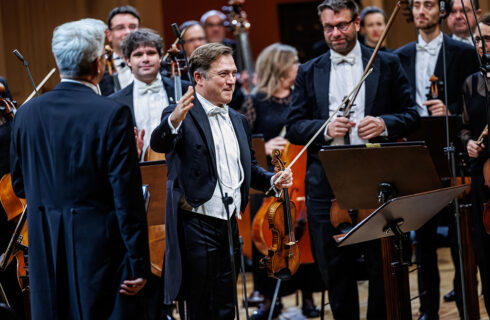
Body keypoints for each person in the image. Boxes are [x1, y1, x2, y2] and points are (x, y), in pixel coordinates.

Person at [286, 0, 420, 318]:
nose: (335, 33)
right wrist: (325, 127)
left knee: (381, 263)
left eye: (342, 25)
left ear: (357, 24)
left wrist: (385, 123)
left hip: (375, 178)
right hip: (325, 182)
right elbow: (294, 126)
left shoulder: (386, 63)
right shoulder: (309, 70)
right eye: (328, 27)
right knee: (334, 267)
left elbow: (411, 115)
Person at [9, 18, 150, 319]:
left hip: (44, 248)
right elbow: (127, 198)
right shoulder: (113, 113)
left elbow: (20, 185)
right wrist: (139, 264)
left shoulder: (25, 114)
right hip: (100, 253)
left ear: (59, 61)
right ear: (99, 64)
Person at [150, 43, 293, 319]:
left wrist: (274, 180)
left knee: (228, 304)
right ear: (199, 78)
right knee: (202, 306)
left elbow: (249, 168)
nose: (231, 81)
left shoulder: (239, 119)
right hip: (196, 223)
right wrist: (174, 120)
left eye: (233, 73)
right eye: (223, 74)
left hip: (229, 224)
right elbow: (161, 141)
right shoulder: (180, 112)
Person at [395, 1, 479, 318]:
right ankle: (428, 309)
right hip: (416, 154)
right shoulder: (399, 57)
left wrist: (452, 113)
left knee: (460, 238)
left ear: (440, 11)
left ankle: (465, 305)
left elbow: (475, 103)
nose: (421, 10)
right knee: (423, 239)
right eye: (416, 5)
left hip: (453, 153)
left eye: (428, 4)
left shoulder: (463, 52)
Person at [242, 43, 321, 319]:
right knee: (268, 237)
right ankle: (266, 299)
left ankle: (309, 296)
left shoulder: (301, 97)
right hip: (268, 183)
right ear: (279, 66)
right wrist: (262, 147)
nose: (299, 66)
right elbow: (242, 142)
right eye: (294, 62)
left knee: (302, 236)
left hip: (299, 178)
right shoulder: (254, 101)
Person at [109, 28, 190, 160]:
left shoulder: (185, 90)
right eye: (138, 54)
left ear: (160, 57)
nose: (145, 59)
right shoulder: (114, 102)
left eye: (151, 53)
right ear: (128, 60)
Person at [460, 11, 490, 315]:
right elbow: (465, 127)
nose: (482, 45)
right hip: (483, 179)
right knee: (485, 253)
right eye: (479, 39)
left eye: (488, 39)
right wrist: (468, 141)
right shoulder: (472, 83)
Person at [99, 5, 141, 96]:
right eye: (120, 28)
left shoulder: (156, 63)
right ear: (109, 34)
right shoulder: (99, 69)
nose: (127, 32)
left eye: (132, 27)